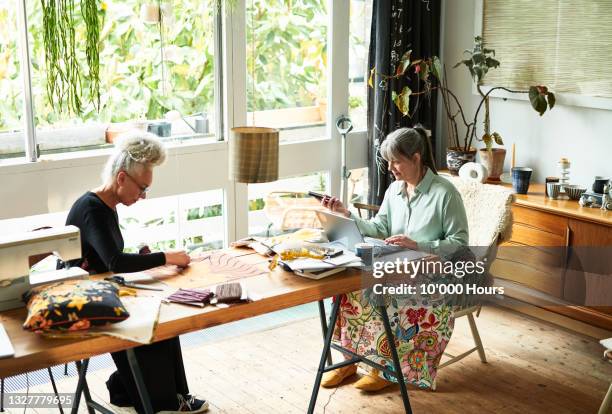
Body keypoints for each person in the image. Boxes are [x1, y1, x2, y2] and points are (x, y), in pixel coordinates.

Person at [63, 131, 208, 413]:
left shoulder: (107, 206)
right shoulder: (93, 209)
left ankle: (143, 391)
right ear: (121, 178)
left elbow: (105, 260)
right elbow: (115, 261)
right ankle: (162, 402)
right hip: (82, 300)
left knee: (166, 314)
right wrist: (165, 256)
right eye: (142, 188)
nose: (143, 196)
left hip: (101, 289)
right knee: (153, 321)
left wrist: (146, 257)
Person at [320, 126, 469, 390]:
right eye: (388, 161)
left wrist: (418, 244)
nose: (391, 168)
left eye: (396, 161)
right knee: (348, 287)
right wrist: (347, 214)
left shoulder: (445, 194)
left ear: (416, 158)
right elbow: (379, 228)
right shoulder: (395, 190)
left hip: (432, 273)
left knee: (383, 292)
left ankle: (383, 367)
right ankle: (350, 360)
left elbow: (460, 244)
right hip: (395, 264)